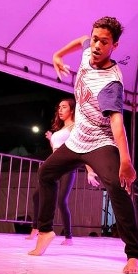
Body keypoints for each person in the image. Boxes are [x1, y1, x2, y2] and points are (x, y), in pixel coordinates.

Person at [27, 16, 138, 274]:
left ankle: (133, 255)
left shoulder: (111, 83)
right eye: (95, 39)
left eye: (104, 42)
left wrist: (125, 160)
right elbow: (79, 41)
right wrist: (57, 55)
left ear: (114, 46)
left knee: (117, 187)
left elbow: (117, 123)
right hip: (77, 139)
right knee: (46, 173)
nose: (97, 46)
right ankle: (45, 231)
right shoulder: (87, 51)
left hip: (100, 142)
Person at [25, 99, 99, 244]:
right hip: (54, 167)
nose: (60, 110)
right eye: (59, 107)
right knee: (36, 195)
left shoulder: (74, 127)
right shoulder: (60, 130)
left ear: (72, 110)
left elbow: (82, 149)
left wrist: (90, 171)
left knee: (61, 201)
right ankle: (36, 228)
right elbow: (56, 151)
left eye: (64, 107)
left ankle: (68, 237)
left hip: (67, 168)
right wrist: (51, 139)